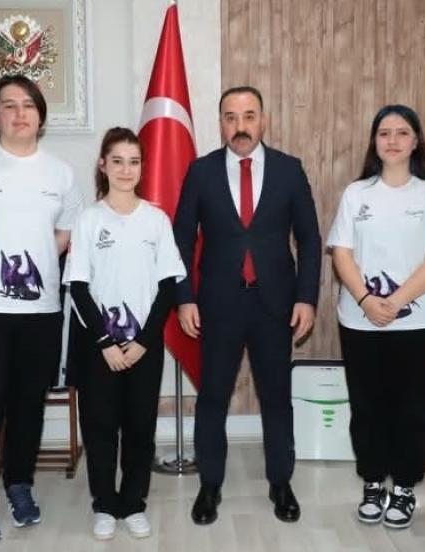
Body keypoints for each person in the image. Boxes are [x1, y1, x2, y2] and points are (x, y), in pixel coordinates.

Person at [173, 86, 322, 525]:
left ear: (263, 120)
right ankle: (209, 485)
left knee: (276, 397)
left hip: (275, 304)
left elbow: (310, 238)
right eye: (231, 117)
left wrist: (306, 298)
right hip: (217, 304)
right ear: (220, 122)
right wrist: (184, 298)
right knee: (212, 398)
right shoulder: (200, 172)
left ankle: (281, 482)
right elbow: (180, 241)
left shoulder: (289, 170)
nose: (241, 126)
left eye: (249, 116)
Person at [0, 74, 82, 545]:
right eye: (9, 105)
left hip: (40, 312)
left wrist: (35, 263)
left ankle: (20, 485)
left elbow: (66, 232)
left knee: (28, 405)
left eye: (28, 104)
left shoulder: (60, 173)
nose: (20, 113)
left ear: (40, 115)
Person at [328, 105, 425, 529]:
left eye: (402, 133)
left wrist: (396, 301)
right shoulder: (356, 193)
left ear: (416, 141)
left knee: (409, 407)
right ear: (374, 141)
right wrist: (366, 299)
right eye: (384, 133)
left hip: (417, 323)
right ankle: (372, 482)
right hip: (360, 319)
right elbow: (341, 253)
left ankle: (403, 486)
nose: (393, 140)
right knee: (367, 406)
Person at [64, 127, 185, 540]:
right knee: (99, 427)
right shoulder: (88, 220)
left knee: (139, 427)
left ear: (142, 167)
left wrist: (143, 342)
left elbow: (168, 287)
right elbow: (79, 287)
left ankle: (133, 502)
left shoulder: (156, 219)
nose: (125, 169)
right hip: (100, 347)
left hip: (143, 347)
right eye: (117, 161)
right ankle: (104, 503)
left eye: (134, 162)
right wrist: (106, 343)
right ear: (103, 165)